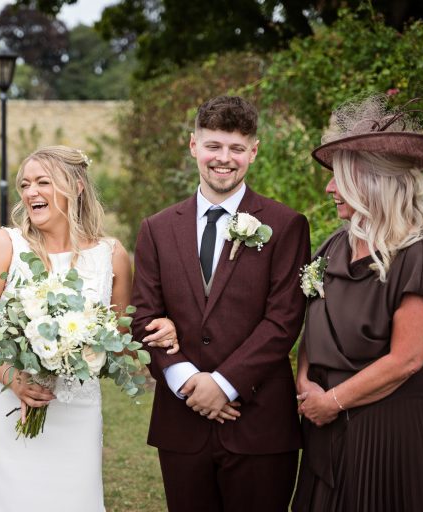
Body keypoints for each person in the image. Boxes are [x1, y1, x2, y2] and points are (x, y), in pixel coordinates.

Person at [0, 145, 177, 511]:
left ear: (76, 186)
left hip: (76, 408)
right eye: (25, 184)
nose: (31, 192)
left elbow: (121, 339)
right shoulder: (4, 245)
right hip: (5, 403)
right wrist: (16, 380)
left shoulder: (111, 254)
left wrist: (162, 328)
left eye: (43, 182)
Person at [131, 95, 311, 511]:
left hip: (258, 423)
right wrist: (187, 382)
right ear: (194, 146)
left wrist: (224, 384)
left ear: (254, 151)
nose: (224, 159)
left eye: (236, 148)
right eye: (213, 146)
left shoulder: (285, 225)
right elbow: (143, 317)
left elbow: (284, 320)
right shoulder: (157, 229)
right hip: (182, 424)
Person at [292, 95, 423, 511]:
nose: (329, 187)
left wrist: (333, 401)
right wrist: (305, 383)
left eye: (339, 178)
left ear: (372, 182)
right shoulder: (333, 246)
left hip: (390, 432)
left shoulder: (418, 254)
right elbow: (313, 325)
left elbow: (407, 360)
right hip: (325, 426)